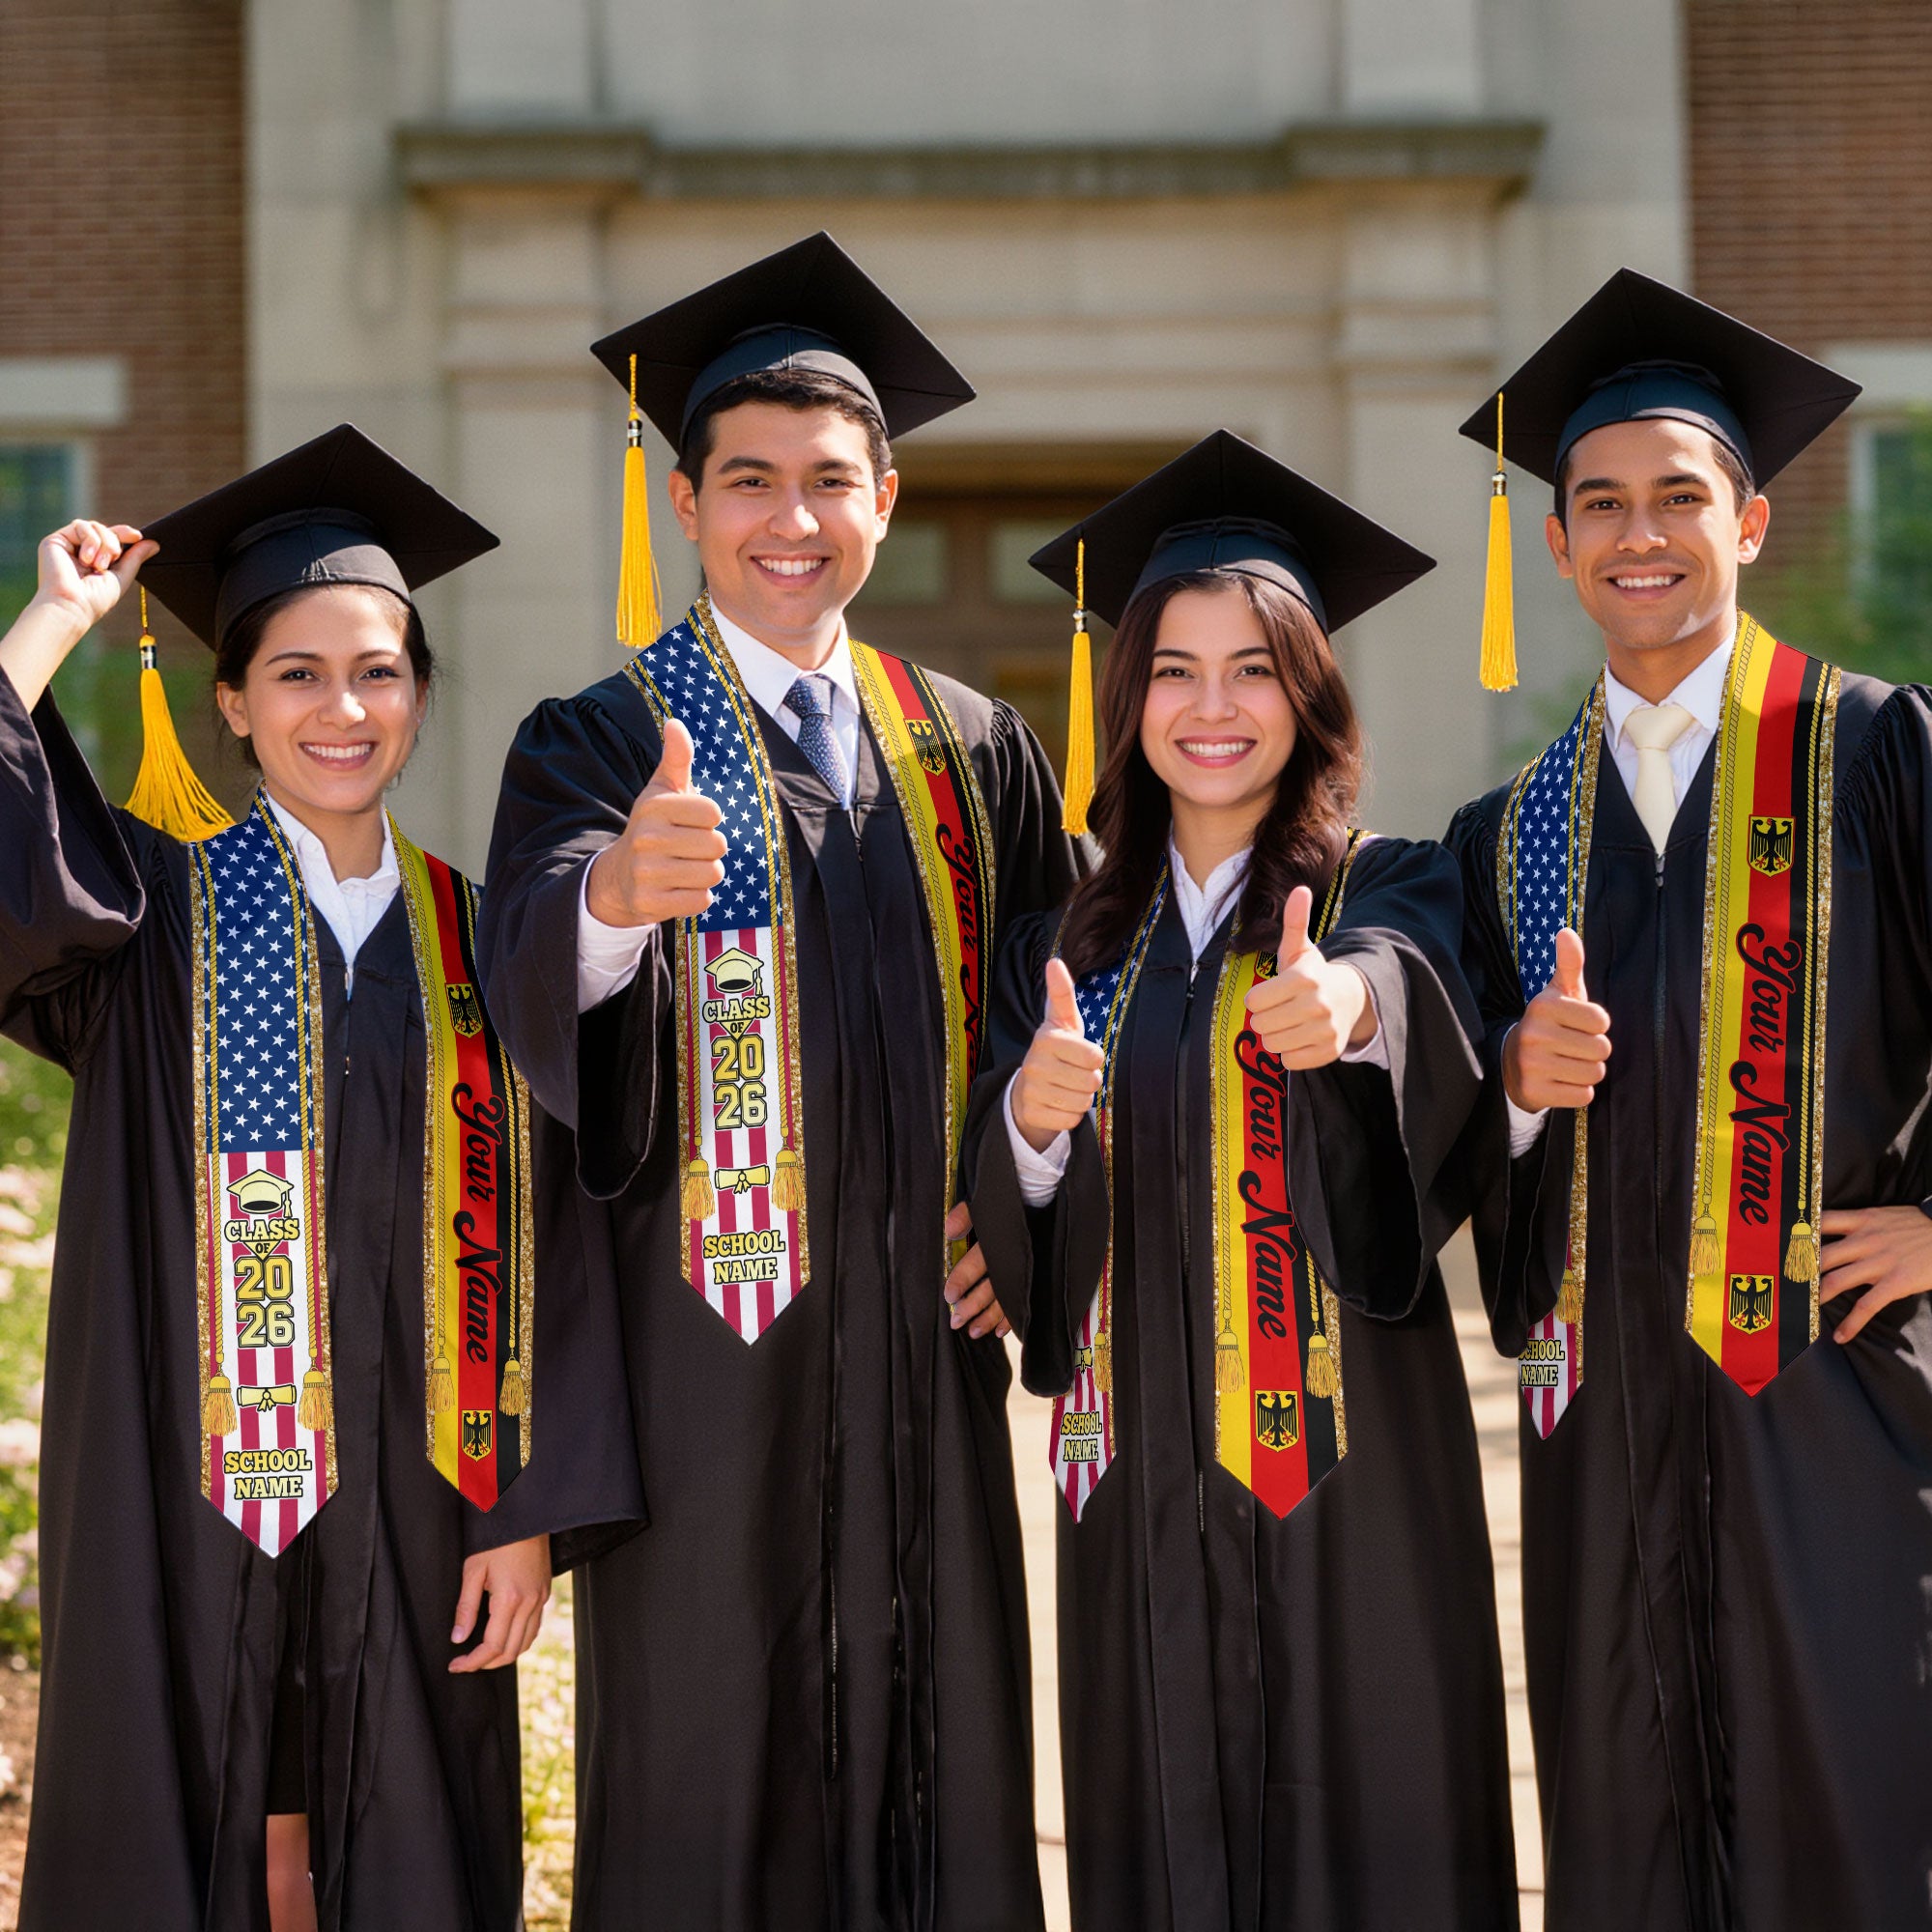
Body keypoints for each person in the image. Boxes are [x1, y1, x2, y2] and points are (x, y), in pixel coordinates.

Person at [478, 233, 1083, 1931]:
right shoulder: (598, 739)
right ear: (686, 503)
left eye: (831, 481)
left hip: (925, 1365)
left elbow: (1072, 1010)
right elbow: (527, 969)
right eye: (749, 481)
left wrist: (1022, 1201)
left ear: (886, 497)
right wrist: (609, 900)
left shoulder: (973, 746)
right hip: (705, 1378)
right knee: (709, 1784)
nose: (790, 520)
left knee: (943, 1767)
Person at [0, 425, 641, 1932]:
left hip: (427, 1498)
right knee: (192, 1805)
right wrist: (51, 624)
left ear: (419, 695)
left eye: (378, 671)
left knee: (407, 1833)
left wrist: (525, 1507)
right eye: (295, 673)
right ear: (231, 701)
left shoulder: (494, 941)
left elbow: (564, 1236)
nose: (341, 708)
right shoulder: (143, 916)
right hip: (184, 1480)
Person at [963, 431, 1518, 1931]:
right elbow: (1012, 1209)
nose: (1214, 708)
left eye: (1256, 668)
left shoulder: (1387, 885)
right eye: (1175, 670)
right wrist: (1027, 1118)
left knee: (1378, 1830)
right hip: (1133, 1474)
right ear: (1128, 696)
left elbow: (1417, 992)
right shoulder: (1063, 945)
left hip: (1355, 1472)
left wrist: (1350, 1012)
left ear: (1311, 693)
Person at [1447, 270, 1932, 1931]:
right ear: (1562, 542)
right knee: (1624, 1822)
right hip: (1602, 1425)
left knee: (1853, 1809)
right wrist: (1510, 1090)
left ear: (1752, 520)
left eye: (1678, 497)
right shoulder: (1509, 831)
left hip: (1835, 1400)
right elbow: (1448, 1138)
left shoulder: (1874, 752)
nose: (1637, 533)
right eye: (1599, 504)